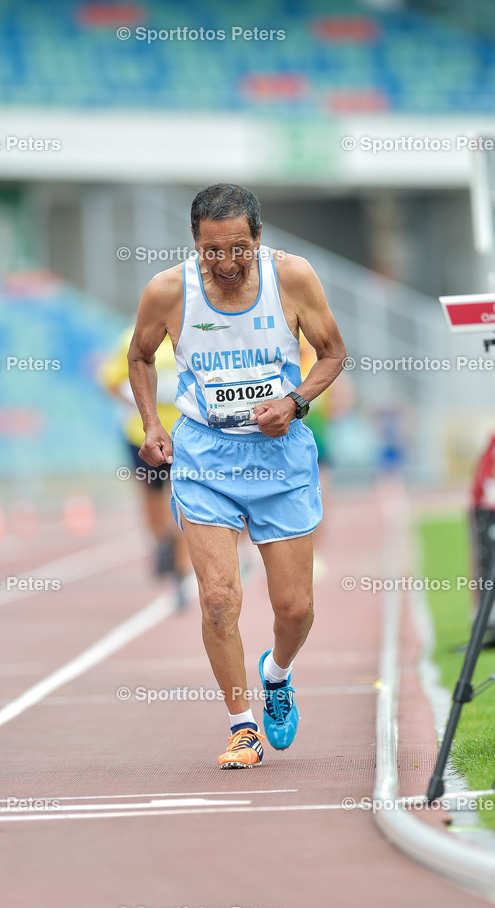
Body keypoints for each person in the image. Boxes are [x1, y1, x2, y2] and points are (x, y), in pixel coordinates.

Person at [128, 183, 346, 768]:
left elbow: (332, 353)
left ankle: (276, 675)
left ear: (258, 239)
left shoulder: (293, 278)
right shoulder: (168, 291)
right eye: (210, 251)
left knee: (294, 608)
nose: (225, 264)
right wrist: (153, 423)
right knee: (220, 600)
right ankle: (241, 724)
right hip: (205, 459)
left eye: (237, 250)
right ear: (194, 244)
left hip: (279, 459)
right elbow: (140, 355)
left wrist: (296, 402)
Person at [100, 325, 189, 588]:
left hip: (183, 435)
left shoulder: (189, 332)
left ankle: (182, 562)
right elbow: (109, 381)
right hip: (142, 435)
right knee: (151, 493)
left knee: (184, 494)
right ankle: (161, 541)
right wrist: (141, 406)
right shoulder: (131, 337)